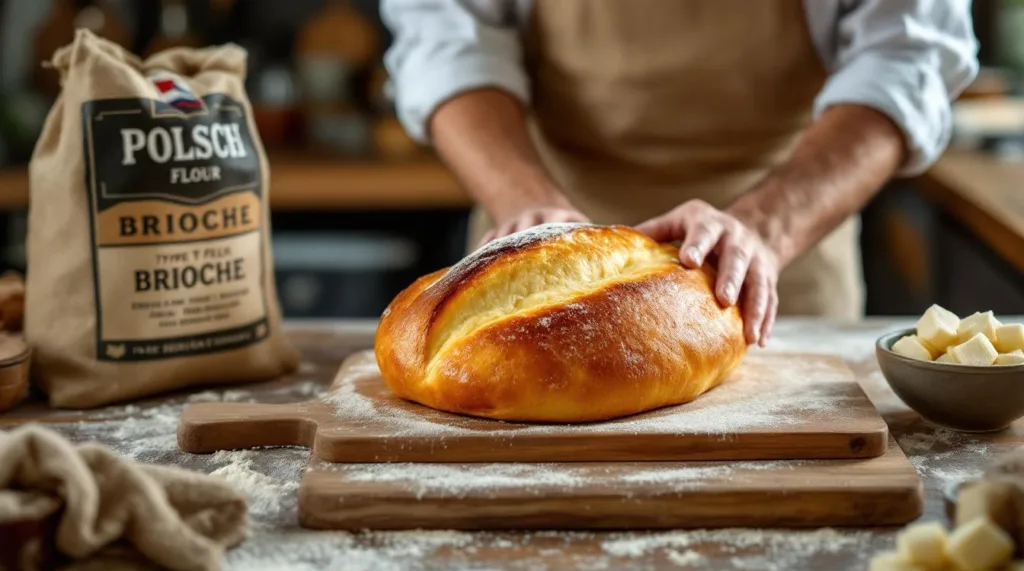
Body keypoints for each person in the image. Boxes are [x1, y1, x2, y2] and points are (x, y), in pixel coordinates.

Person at [381, 0, 979, 346]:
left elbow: (907, 56)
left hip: (777, 263)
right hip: (534, 240)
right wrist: (523, 201)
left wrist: (764, 231)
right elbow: (447, 40)